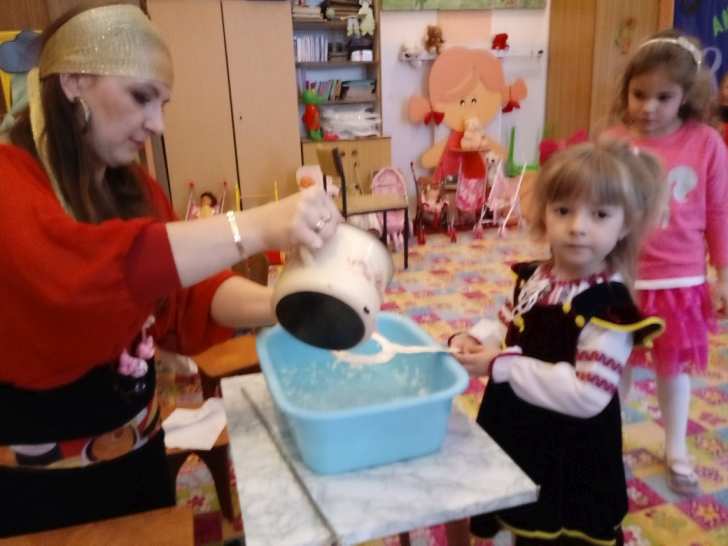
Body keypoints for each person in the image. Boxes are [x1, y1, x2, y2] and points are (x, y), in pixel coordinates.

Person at [0, 2, 341, 537]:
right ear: (73, 81)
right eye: (141, 97)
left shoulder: (131, 186)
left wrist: (288, 305)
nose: (157, 124)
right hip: (42, 496)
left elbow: (188, 295)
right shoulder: (10, 183)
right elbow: (81, 278)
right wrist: (255, 226)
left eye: (162, 104)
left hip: (139, 458)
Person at [447, 139, 666, 546]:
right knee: (517, 505)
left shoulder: (608, 307)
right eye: (563, 210)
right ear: (545, 214)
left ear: (625, 225)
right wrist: (476, 337)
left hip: (568, 447)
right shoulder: (539, 276)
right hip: (520, 424)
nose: (577, 226)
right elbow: (512, 318)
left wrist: (502, 365)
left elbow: (588, 395)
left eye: (599, 214)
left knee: (556, 524)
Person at [606, 29, 728, 496]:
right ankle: (606, 443)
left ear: (686, 96)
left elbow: (718, 212)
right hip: (621, 278)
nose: (649, 107)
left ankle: (676, 447)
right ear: (626, 90)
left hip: (679, 281)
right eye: (639, 94)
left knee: (672, 369)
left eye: (664, 97)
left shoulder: (706, 143)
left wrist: (723, 274)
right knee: (612, 364)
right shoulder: (614, 140)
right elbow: (596, 204)